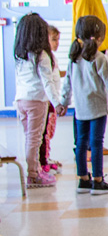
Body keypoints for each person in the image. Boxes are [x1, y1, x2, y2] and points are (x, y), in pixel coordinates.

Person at [59, 16, 108, 195]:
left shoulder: (74, 58)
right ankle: (98, 180)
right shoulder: (100, 58)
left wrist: (63, 104)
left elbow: (67, 85)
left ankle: (83, 180)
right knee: (96, 144)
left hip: (80, 110)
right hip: (97, 110)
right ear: (98, 37)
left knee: (81, 144)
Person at [14, 14, 63, 188]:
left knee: (30, 138)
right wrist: (57, 103)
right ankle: (33, 175)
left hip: (21, 100)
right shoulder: (41, 55)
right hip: (36, 101)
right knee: (35, 139)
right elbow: (47, 82)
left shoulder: (20, 54)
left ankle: (34, 171)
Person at [38, 24, 64, 174]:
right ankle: (42, 161)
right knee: (44, 132)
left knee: (49, 132)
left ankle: (46, 157)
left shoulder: (51, 57)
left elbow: (55, 74)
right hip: (48, 101)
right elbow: (47, 81)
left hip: (52, 100)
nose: (57, 43)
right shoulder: (44, 56)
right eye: (54, 40)